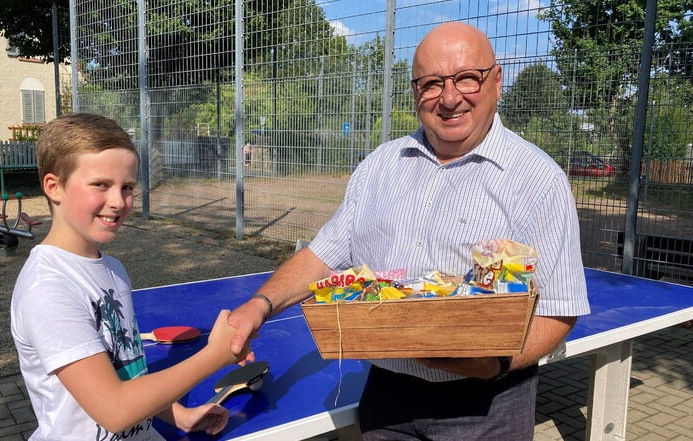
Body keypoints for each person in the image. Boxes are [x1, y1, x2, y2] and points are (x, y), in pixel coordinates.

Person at [227, 22, 590, 441]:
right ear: (416, 91)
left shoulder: (538, 179)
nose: (450, 98)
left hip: (488, 404)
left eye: (466, 78)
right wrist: (261, 304)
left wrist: (496, 364)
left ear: (496, 81)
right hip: (387, 394)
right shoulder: (379, 167)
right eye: (432, 83)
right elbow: (325, 254)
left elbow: (559, 309)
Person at [11, 113, 250, 440]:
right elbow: (115, 410)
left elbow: (127, 371)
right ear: (54, 187)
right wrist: (214, 356)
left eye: (127, 187)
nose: (117, 201)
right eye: (100, 185)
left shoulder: (112, 270)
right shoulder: (48, 289)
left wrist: (177, 415)